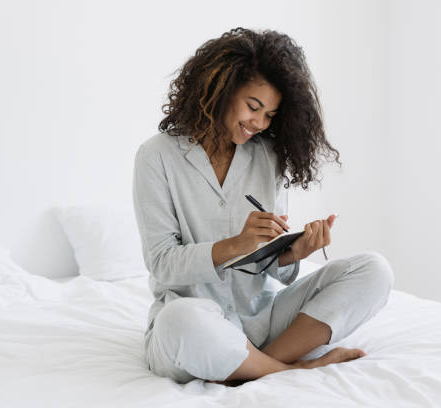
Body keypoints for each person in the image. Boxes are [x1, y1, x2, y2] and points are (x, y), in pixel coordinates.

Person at [132, 27, 394, 386]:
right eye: (253, 107)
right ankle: (290, 370)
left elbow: (272, 268)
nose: (259, 123)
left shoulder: (268, 157)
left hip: (262, 318)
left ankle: (249, 364)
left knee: (374, 270)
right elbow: (161, 263)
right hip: (196, 318)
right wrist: (234, 246)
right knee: (180, 323)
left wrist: (294, 252)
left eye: (270, 114)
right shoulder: (157, 156)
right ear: (220, 90)